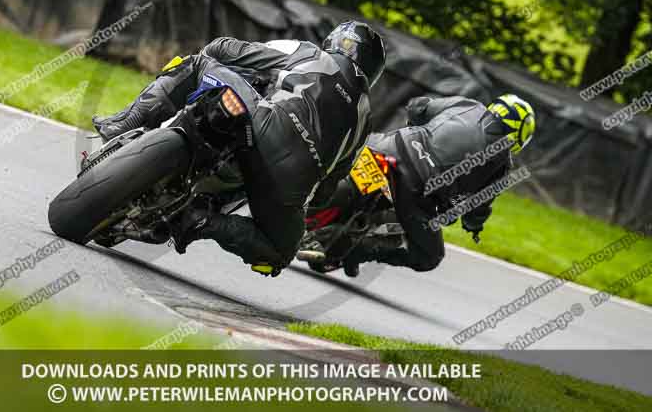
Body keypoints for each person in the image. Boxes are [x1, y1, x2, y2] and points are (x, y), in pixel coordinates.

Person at [92, 21, 387, 275]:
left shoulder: (309, 52)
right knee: (279, 252)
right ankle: (203, 221)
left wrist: (212, 67)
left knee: (196, 63)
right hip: (286, 184)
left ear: (335, 41)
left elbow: (223, 49)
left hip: (259, 126)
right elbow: (325, 192)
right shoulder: (365, 121)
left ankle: (124, 123)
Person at [299, 93, 536, 276]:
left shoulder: (468, 105)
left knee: (340, 157)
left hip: (389, 144)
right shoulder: (502, 162)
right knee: (430, 256)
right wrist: (473, 225)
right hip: (415, 188)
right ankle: (356, 252)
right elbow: (478, 206)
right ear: (519, 136)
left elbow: (418, 106)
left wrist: (414, 127)